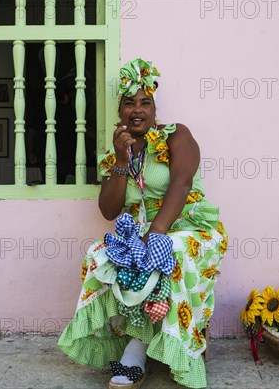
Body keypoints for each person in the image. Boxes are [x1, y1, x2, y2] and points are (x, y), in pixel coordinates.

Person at [58, 58, 228, 389]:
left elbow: (181, 184)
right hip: (142, 231)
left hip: (189, 226)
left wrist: (155, 235)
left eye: (145, 102)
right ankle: (132, 342)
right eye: (129, 103)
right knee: (99, 254)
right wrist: (122, 162)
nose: (137, 110)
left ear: (154, 107)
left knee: (168, 250)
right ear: (119, 110)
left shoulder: (177, 135)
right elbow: (109, 210)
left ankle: (137, 353)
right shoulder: (117, 153)